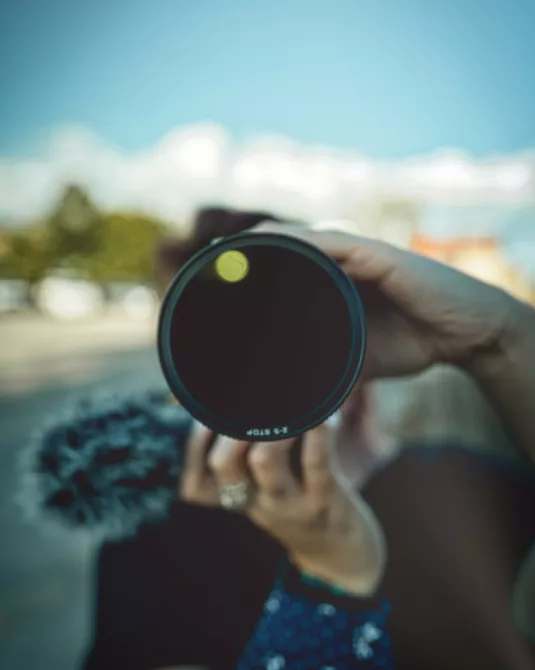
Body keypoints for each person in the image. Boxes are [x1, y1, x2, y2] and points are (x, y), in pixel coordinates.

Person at [82, 209, 535, 670]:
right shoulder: (158, 535)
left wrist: (502, 339)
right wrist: (329, 581)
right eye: (220, 341)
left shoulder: (463, 488)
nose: (262, 365)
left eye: (286, 330)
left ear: (349, 330)